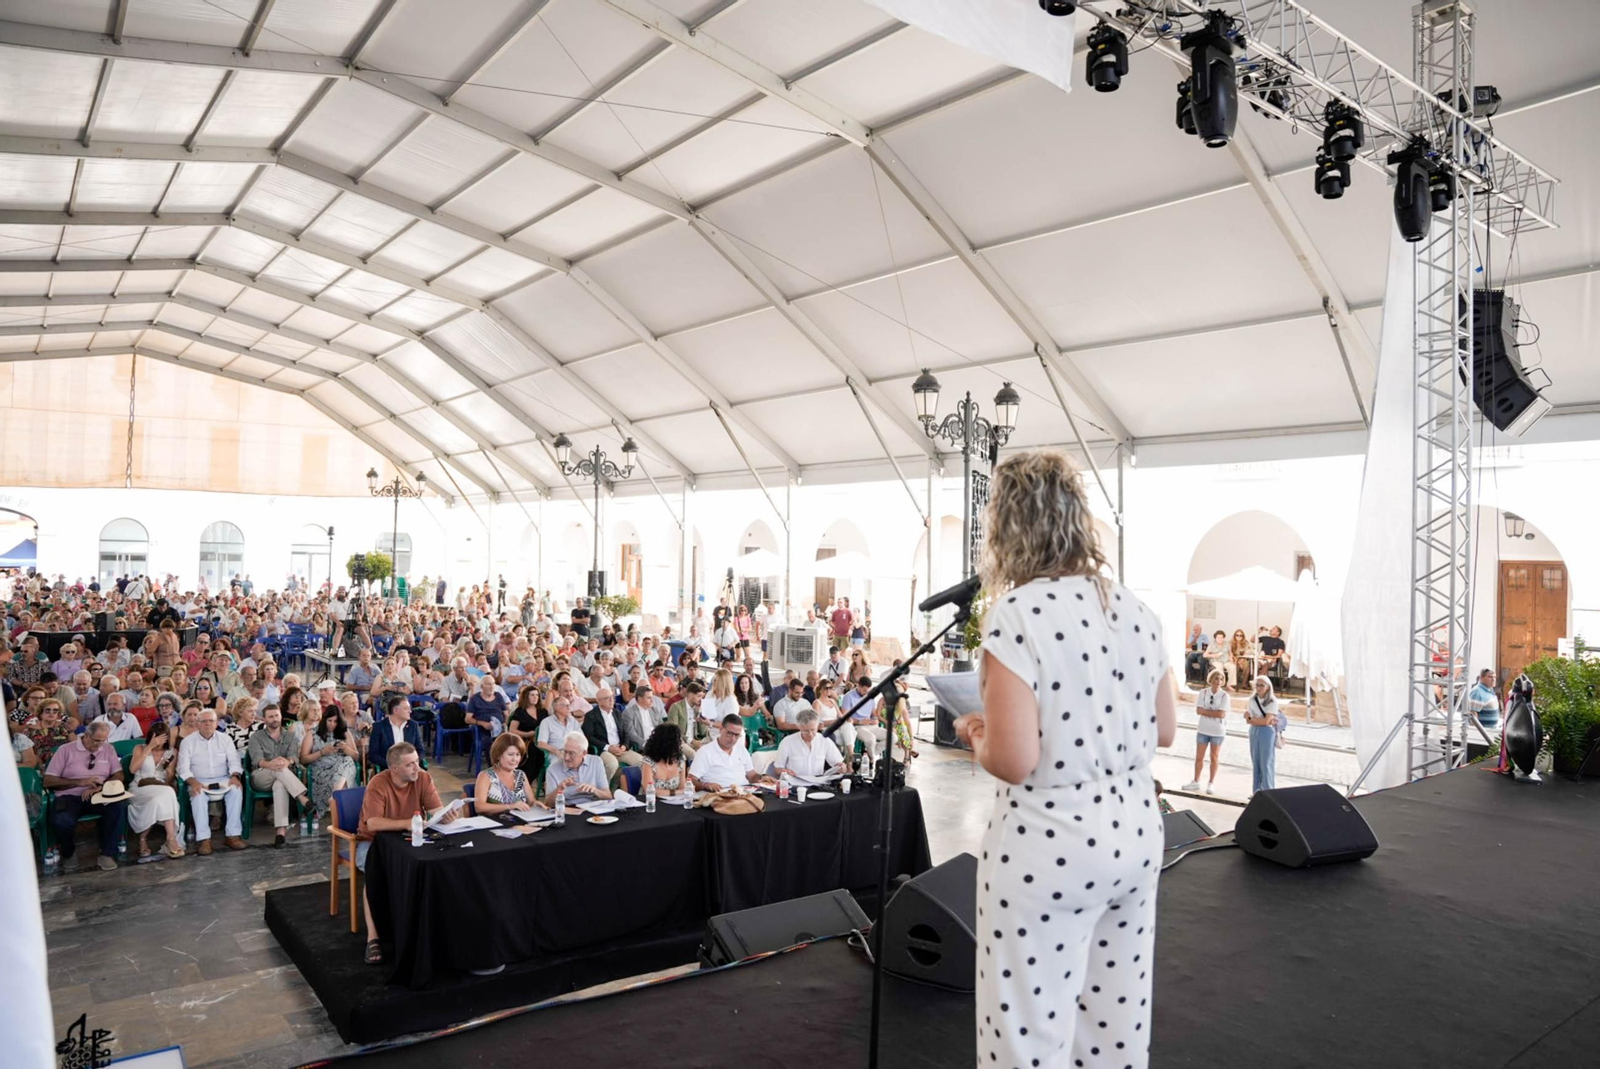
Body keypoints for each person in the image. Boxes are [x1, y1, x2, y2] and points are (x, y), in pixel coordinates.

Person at [951, 448, 1177, 1069]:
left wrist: (975, 733)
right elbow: (1165, 731)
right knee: (1114, 1025)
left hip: (1047, 847)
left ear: (1007, 529)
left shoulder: (1017, 615)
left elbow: (1016, 759)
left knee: (1024, 1034)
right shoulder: (1135, 609)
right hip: (1134, 831)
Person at [356, 742, 457, 964]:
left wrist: (445, 815)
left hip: (409, 838)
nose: (416, 768)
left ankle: (424, 928)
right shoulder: (378, 784)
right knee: (374, 874)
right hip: (372, 842)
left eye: (417, 762)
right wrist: (408, 823)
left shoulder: (423, 778)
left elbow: (434, 810)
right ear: (394, 768)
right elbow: (372, 823)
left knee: (434, 865)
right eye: (410, 764)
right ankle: (373, 937)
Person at [43, 721, 131, 871]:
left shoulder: (108, 749)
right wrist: (80, 782)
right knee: (62, 820)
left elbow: (118, 774)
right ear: (87, 736)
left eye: (104, 740)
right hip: (69, 796)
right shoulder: (66, 750)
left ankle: (107, 853)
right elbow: (48, 781)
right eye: (97, 740)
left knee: (117, 808)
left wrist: (101, 788)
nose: (100, 744)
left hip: (99, 794)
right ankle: (69, 852)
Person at [177, 708, 248, 854]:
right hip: (199, 780)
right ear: (197, 724)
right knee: (198, 795)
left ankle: (232, 835)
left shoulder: (225, 739)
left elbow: (234, 762)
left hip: (223, 778)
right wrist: (193, 781)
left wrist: (235, 776)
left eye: (211, 721)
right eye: (204, 721)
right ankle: (204, 840)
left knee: (236, 790)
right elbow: (183, 768)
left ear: (217, 723)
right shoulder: (188, 742)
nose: (208, 724)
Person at [247, 703, 311, 847]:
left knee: (280, 784)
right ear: (264, 719)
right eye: (270, 716)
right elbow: (257, 760)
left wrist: (286, 762)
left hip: (283, 776)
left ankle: (280, 833)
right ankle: (302, 797)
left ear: (281, 716)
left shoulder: (290, 736)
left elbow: (294, 757)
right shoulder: (256, 737)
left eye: (276, 715)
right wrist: (272, 764)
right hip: (262, 776)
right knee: (280, 771)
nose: (274, 719)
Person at [127, 721, 184, 859]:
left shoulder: (172, 752)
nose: (158, 743)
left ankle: (143, 839)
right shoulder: (140, 748)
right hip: (140, 787)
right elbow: (132, 769)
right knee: (168, 794)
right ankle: (171, 840)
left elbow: (169, 780)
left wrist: (167, 768)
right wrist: (150, 747)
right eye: (156, 738)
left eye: (161, 739)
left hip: (161, 787)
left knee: (160, 799)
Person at [300, 703, 359, 824]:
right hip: (321, 770)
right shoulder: (312, 734)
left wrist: (346, 749)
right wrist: (322, 752)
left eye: (335, 721)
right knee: (346, 771)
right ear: (324, 719)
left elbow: (356, 757)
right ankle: (340, 806)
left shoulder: (345, 733)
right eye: (329, 720)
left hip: (342, 768)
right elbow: (303, 759)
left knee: (347, 761)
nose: (332, 724)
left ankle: (335, 795)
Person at [688, 714, 766, 790]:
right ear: (721, 729)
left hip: (743, 793)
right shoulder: (705, 752)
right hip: (718, 796)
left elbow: (751, 776)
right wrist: (706, 785)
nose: (733, 739)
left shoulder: (741, 749)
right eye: (729, 733)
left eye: (737, 735)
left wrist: (762, 778)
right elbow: (691, 780)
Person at [584, 687, 643, 784]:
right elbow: (589, 737)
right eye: (607, 698)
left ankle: (631, 789)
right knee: (612, 764)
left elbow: (625, 733)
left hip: (620, 749)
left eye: (612, 697)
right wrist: (608, 748)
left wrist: (624, 746)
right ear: (599, 701)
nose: (611, 700)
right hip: (603, 749)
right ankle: (604, 789)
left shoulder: (617, 713)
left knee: (641, 761)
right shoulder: (591, 716)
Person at [768, 708, 848, 780]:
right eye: (806, 731)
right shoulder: (787, 742)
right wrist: (785, 771)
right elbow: (777, 769)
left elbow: (838, 763)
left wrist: (842, 767)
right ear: (799, 727)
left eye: (813, 730)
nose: (810, 734)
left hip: (817, 784)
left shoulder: (825, 740)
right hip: (795, 783)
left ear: (818, 726)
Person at [1184, 669, 1230, 794]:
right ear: (1211, 679)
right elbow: (1199, 710)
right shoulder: (1203, 693)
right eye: (1216, 678)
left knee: (1214, 757)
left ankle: (1211, 782)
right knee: (1199, 756)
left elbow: (1221, 714)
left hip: (1217, 731)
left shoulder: (1225, 696)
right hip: (1203, 729)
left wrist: (1207, 712)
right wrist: (1212, 713)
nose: (1218, 681)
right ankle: (1196, 780)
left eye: (1221, 679)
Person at [543, 730, 612, 804]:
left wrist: (595, 790)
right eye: (565, 751)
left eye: (571, 753)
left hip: (592, 807)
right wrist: (559, 789)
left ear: (584, 753)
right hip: (568, 808)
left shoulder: (596, 762)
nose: (566, 758)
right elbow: (548, 803)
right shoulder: (553, 769)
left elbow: (608, 796)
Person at [474, 733, 534, 815]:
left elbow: (531, 801)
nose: (515, 759)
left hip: (519, 821)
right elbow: (479, 807)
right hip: (494, 823)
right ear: (498, 755)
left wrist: (536, 804)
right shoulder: (486, 776)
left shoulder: (521, 775)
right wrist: (510, 806)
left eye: (518, 754)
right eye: (510, 755)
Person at [1244, 676, 1282, 794]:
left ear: (1268, 687)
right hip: (1254, 730)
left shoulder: (1272, 701)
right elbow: (1248, 717)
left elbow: (1266, 721)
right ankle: (1257, 791)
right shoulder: (1252, 700)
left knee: (1266, 763)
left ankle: (1268, 791)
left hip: (1266, 732)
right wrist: (1254, 720)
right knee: (1256, 762)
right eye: (1257, 685)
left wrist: (1252, 719)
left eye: (1262, 685)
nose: (1259, 688)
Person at [368, 695, 425, 774]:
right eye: (406, 708)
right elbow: (373, 754)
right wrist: (391, 766)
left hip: (411, 768)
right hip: (388, 769)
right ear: (395, 710)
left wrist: (413, 763)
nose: (410, 711)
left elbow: (420, 750)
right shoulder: (379, 727)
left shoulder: (413, 726)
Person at [838, 675, 885, 765]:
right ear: (858, 686)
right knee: (871, 739)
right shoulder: (849, 697)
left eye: (867, 691)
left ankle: (870, 753)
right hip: (858, 726)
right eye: (864, 690)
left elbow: (874, 714)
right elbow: (845, 717)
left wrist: (875, 719)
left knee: (893, 737)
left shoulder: (869, 697)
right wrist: (859, 721)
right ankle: (871, 759)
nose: (865, 693)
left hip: (871, 726)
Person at [639, 723, 690, 797]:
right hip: (650, 803)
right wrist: (675, 793)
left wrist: (680, 792)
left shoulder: (681, 759)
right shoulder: (649, 761)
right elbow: (649, 790)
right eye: (678, 740)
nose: (681, 743)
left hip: (674, 802)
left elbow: (682, 787)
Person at [1466, 668, 1501, 735]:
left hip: (1491, 731)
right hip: (1483, 733)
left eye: (1494, 677)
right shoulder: (1477, 692)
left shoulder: (1489, 690)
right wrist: (1475, 734)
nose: (1493, 679)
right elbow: (1473, 715)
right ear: (1481, 678)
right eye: (1490, 677)